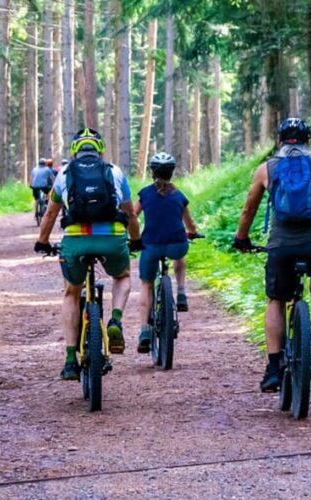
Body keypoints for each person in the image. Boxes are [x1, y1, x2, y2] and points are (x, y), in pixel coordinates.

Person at [232, 118, 311, 392]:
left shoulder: (267, 169)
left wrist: (241, 238)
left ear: (279, 140)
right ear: (309, 139)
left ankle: (274, 368)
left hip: (282, 244)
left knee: (276, 298)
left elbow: (248, 210)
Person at [34, 129, 143, 380]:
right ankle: (115, 320)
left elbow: (50, 214)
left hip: (76, 241)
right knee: (123, 276)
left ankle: (71, 360)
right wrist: (135, 240)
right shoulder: (115, 172)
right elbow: (130, 213)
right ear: (99, 149)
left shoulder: (64, 174)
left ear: (74, 151)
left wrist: (42, 242)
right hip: (112, 239)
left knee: (71, 293)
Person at [134, 153, 200, 353]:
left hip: (151, 246)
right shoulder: (179, 196)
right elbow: (189, 224)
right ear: (172, 173)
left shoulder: (144, 194)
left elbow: (132, 216)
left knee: (146, 284)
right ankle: (180, 291)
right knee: (180, 253)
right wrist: (193, 233)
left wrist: (133, 238)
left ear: (152, 172)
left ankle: (144, 329)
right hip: (176, 245)